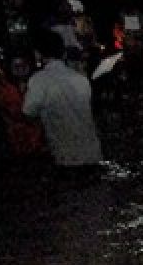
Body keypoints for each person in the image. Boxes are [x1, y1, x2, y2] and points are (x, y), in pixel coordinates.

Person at [22, 28, 102, 171]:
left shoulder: (39, 80)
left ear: (38, 54)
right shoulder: (81, 79)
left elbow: (28, 112)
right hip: (93, 154)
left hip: (66, 159)